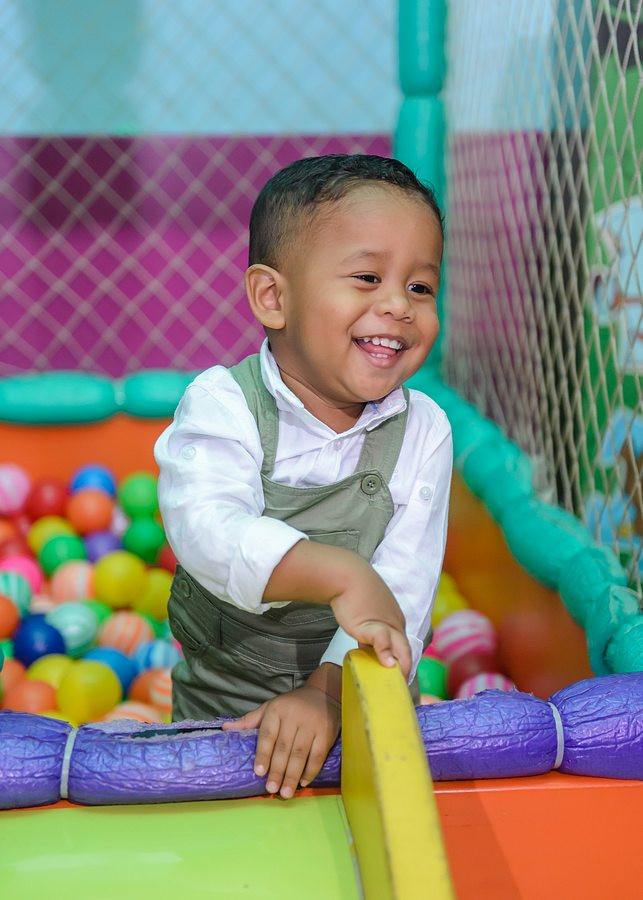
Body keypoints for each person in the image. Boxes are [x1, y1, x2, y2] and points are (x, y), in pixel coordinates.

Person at [154, 153, 452, 799]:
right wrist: (341, 573)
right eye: (367, 277)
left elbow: (404, 589)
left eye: (420, 287)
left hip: (360, 694)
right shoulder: (223, 405)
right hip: (223, 701)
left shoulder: (423, 430)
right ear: (273, 297)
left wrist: (327, 694)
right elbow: (207, 532)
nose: (398, 306)